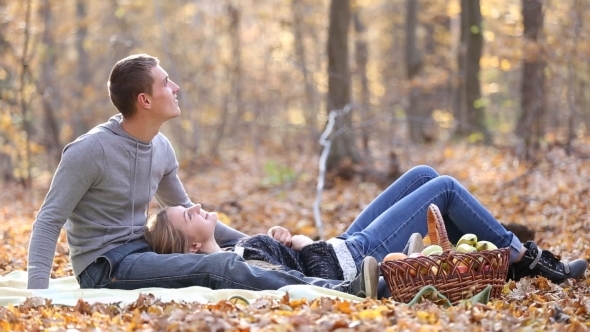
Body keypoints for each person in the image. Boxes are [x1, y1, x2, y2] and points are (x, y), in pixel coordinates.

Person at [26, 53, 379, 299]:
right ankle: (341, 291)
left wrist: (257, 243)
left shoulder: (160, 147)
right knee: (216, 266)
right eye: (166, 83)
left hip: (143, 252)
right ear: (144, 100)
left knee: (227, 256)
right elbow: (48, 221)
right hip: (105, 266)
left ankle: (359, 279)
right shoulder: (90, 151)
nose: (176, 87)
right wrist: (36, 295)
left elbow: (185, 208)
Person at [146, 165, 588, 285]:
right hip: (353, 260)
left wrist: (284, 238)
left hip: (342, 246)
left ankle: (503, 259)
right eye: (189, 214)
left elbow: (289, 263)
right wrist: (298, 241)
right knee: (446, 188)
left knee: (422, 174)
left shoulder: (235, 255)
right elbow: (305, 278)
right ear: (191, 247)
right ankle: (525, 259)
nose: (197, 206)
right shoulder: (233, 266)